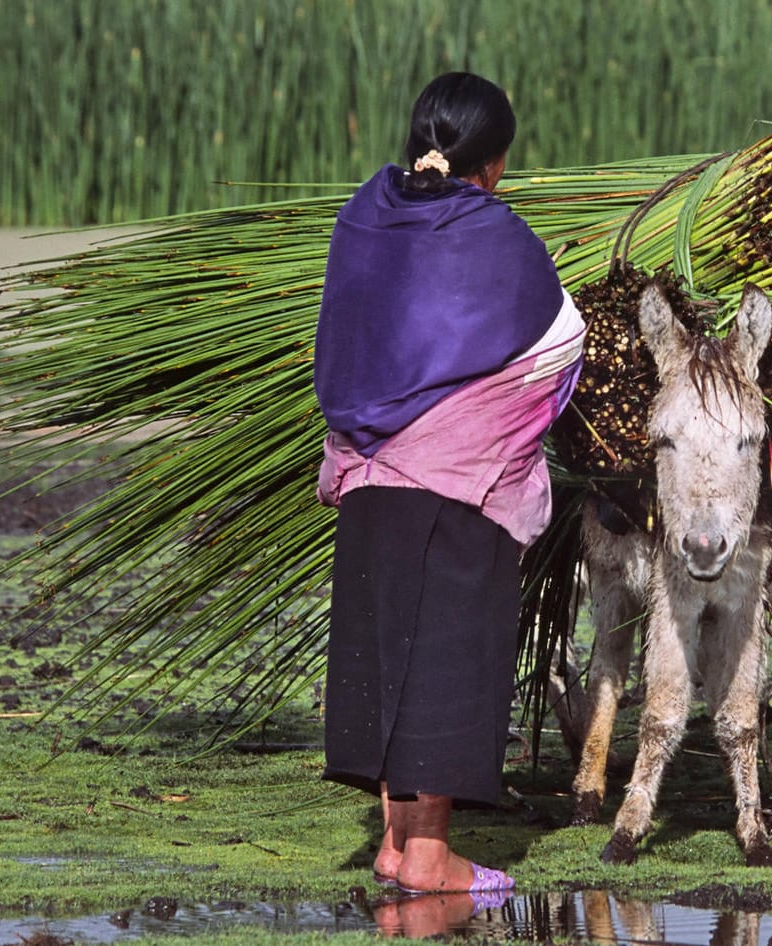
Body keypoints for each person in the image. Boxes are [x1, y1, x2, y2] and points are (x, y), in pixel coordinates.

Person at [312, 72, 584, 892]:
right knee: (443, 652)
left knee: (386, 644)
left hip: (366, 478)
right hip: (452, 482)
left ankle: (394, 843)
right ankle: (430, 857)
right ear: (494, 165)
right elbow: (555, 334)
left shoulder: (364, 213)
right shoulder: (493, 234)